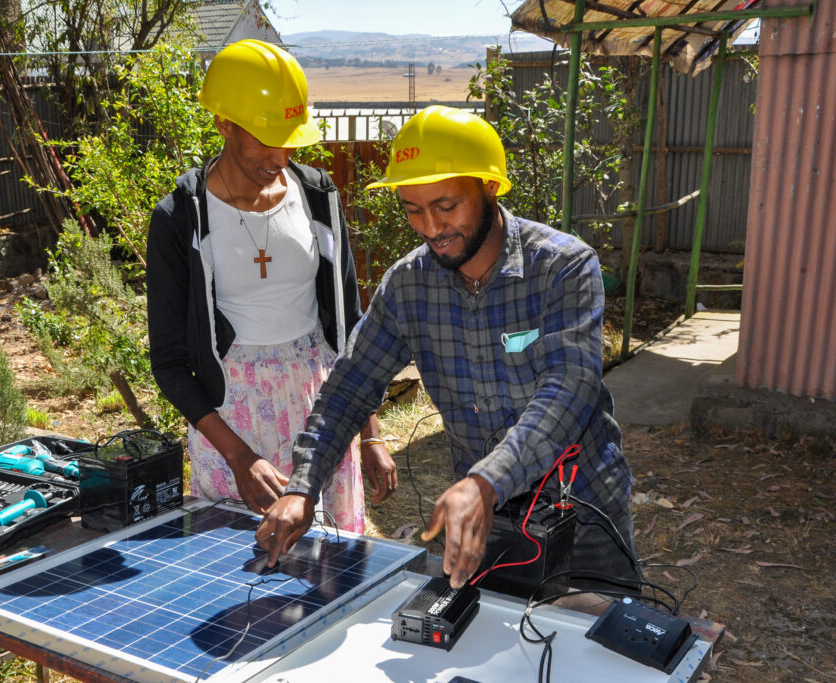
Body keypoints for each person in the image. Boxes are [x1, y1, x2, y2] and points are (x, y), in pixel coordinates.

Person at [256, 105, 637, 589]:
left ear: (489, 187)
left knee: (608, 647)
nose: (431, 228)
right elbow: (350, 387)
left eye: (446, 206)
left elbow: (569, 388)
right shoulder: (407, 287)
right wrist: (303, 486)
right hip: (485, 521)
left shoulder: (562, 268)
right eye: (413, 209)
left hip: (583, 507)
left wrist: (486, 480)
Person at [146, 39, 397, 533]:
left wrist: (369, 434)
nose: (279, 156)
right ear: (223, 124)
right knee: (237, 579)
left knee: (329, 574)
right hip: (232, 424)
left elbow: (348, 328)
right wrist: (241, 458)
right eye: (264, 140)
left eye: (288, 140)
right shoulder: (180, 219)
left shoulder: (319, 199)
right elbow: (171, 365)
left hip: (321, 410)